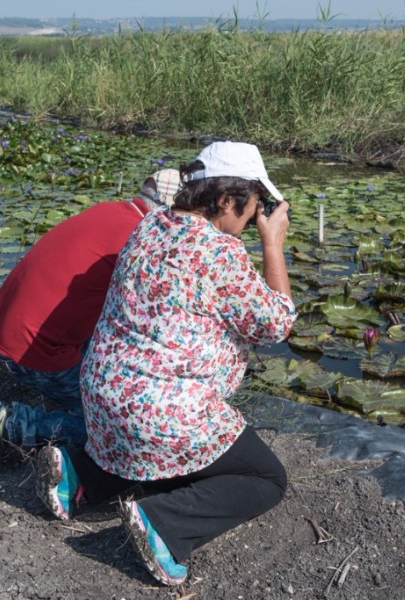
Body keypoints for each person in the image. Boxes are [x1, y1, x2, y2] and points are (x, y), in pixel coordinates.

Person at [35, 141, 296, 586]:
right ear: (227, 199)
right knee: (266, 478)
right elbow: (275, 323)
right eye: (255, 203)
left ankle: (80, 474)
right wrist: (273, 245)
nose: (256, 215)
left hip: (102, 393)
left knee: (153, 455)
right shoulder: (221, 253)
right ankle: (166, 526)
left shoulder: (151, 223)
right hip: (163, 411)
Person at [0, 169, 182, 478]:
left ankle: (59, 393)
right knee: (120, 429)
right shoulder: (140, 241)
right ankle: (12, 421)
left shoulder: (109, 210)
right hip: (31, 354)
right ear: (169, 213)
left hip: (6, 330)